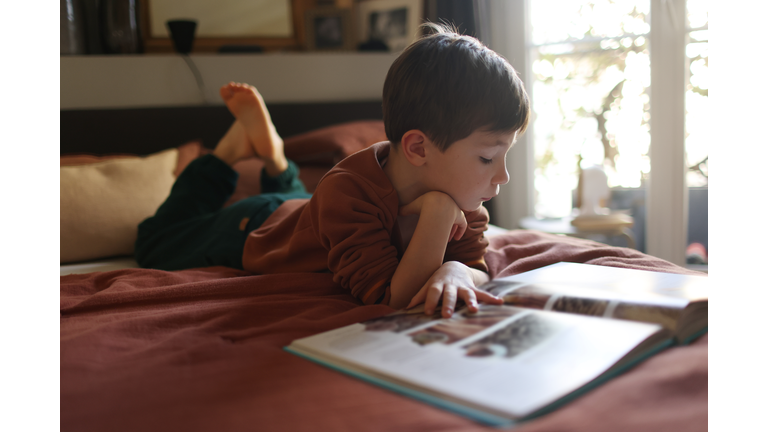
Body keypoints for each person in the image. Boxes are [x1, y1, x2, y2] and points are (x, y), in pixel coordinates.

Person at [135, 23, 530, 318]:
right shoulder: (350, 192)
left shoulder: (470, 199)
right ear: (417, 148)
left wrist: (459, 270)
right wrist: (439, 212)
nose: (502, 177)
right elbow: (393, 299)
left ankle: (276, 162)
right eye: (486, 158)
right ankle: (226, 154)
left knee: (302, 202)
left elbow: (478, 269)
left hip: (308, 211)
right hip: (255, 227)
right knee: (155, 241)